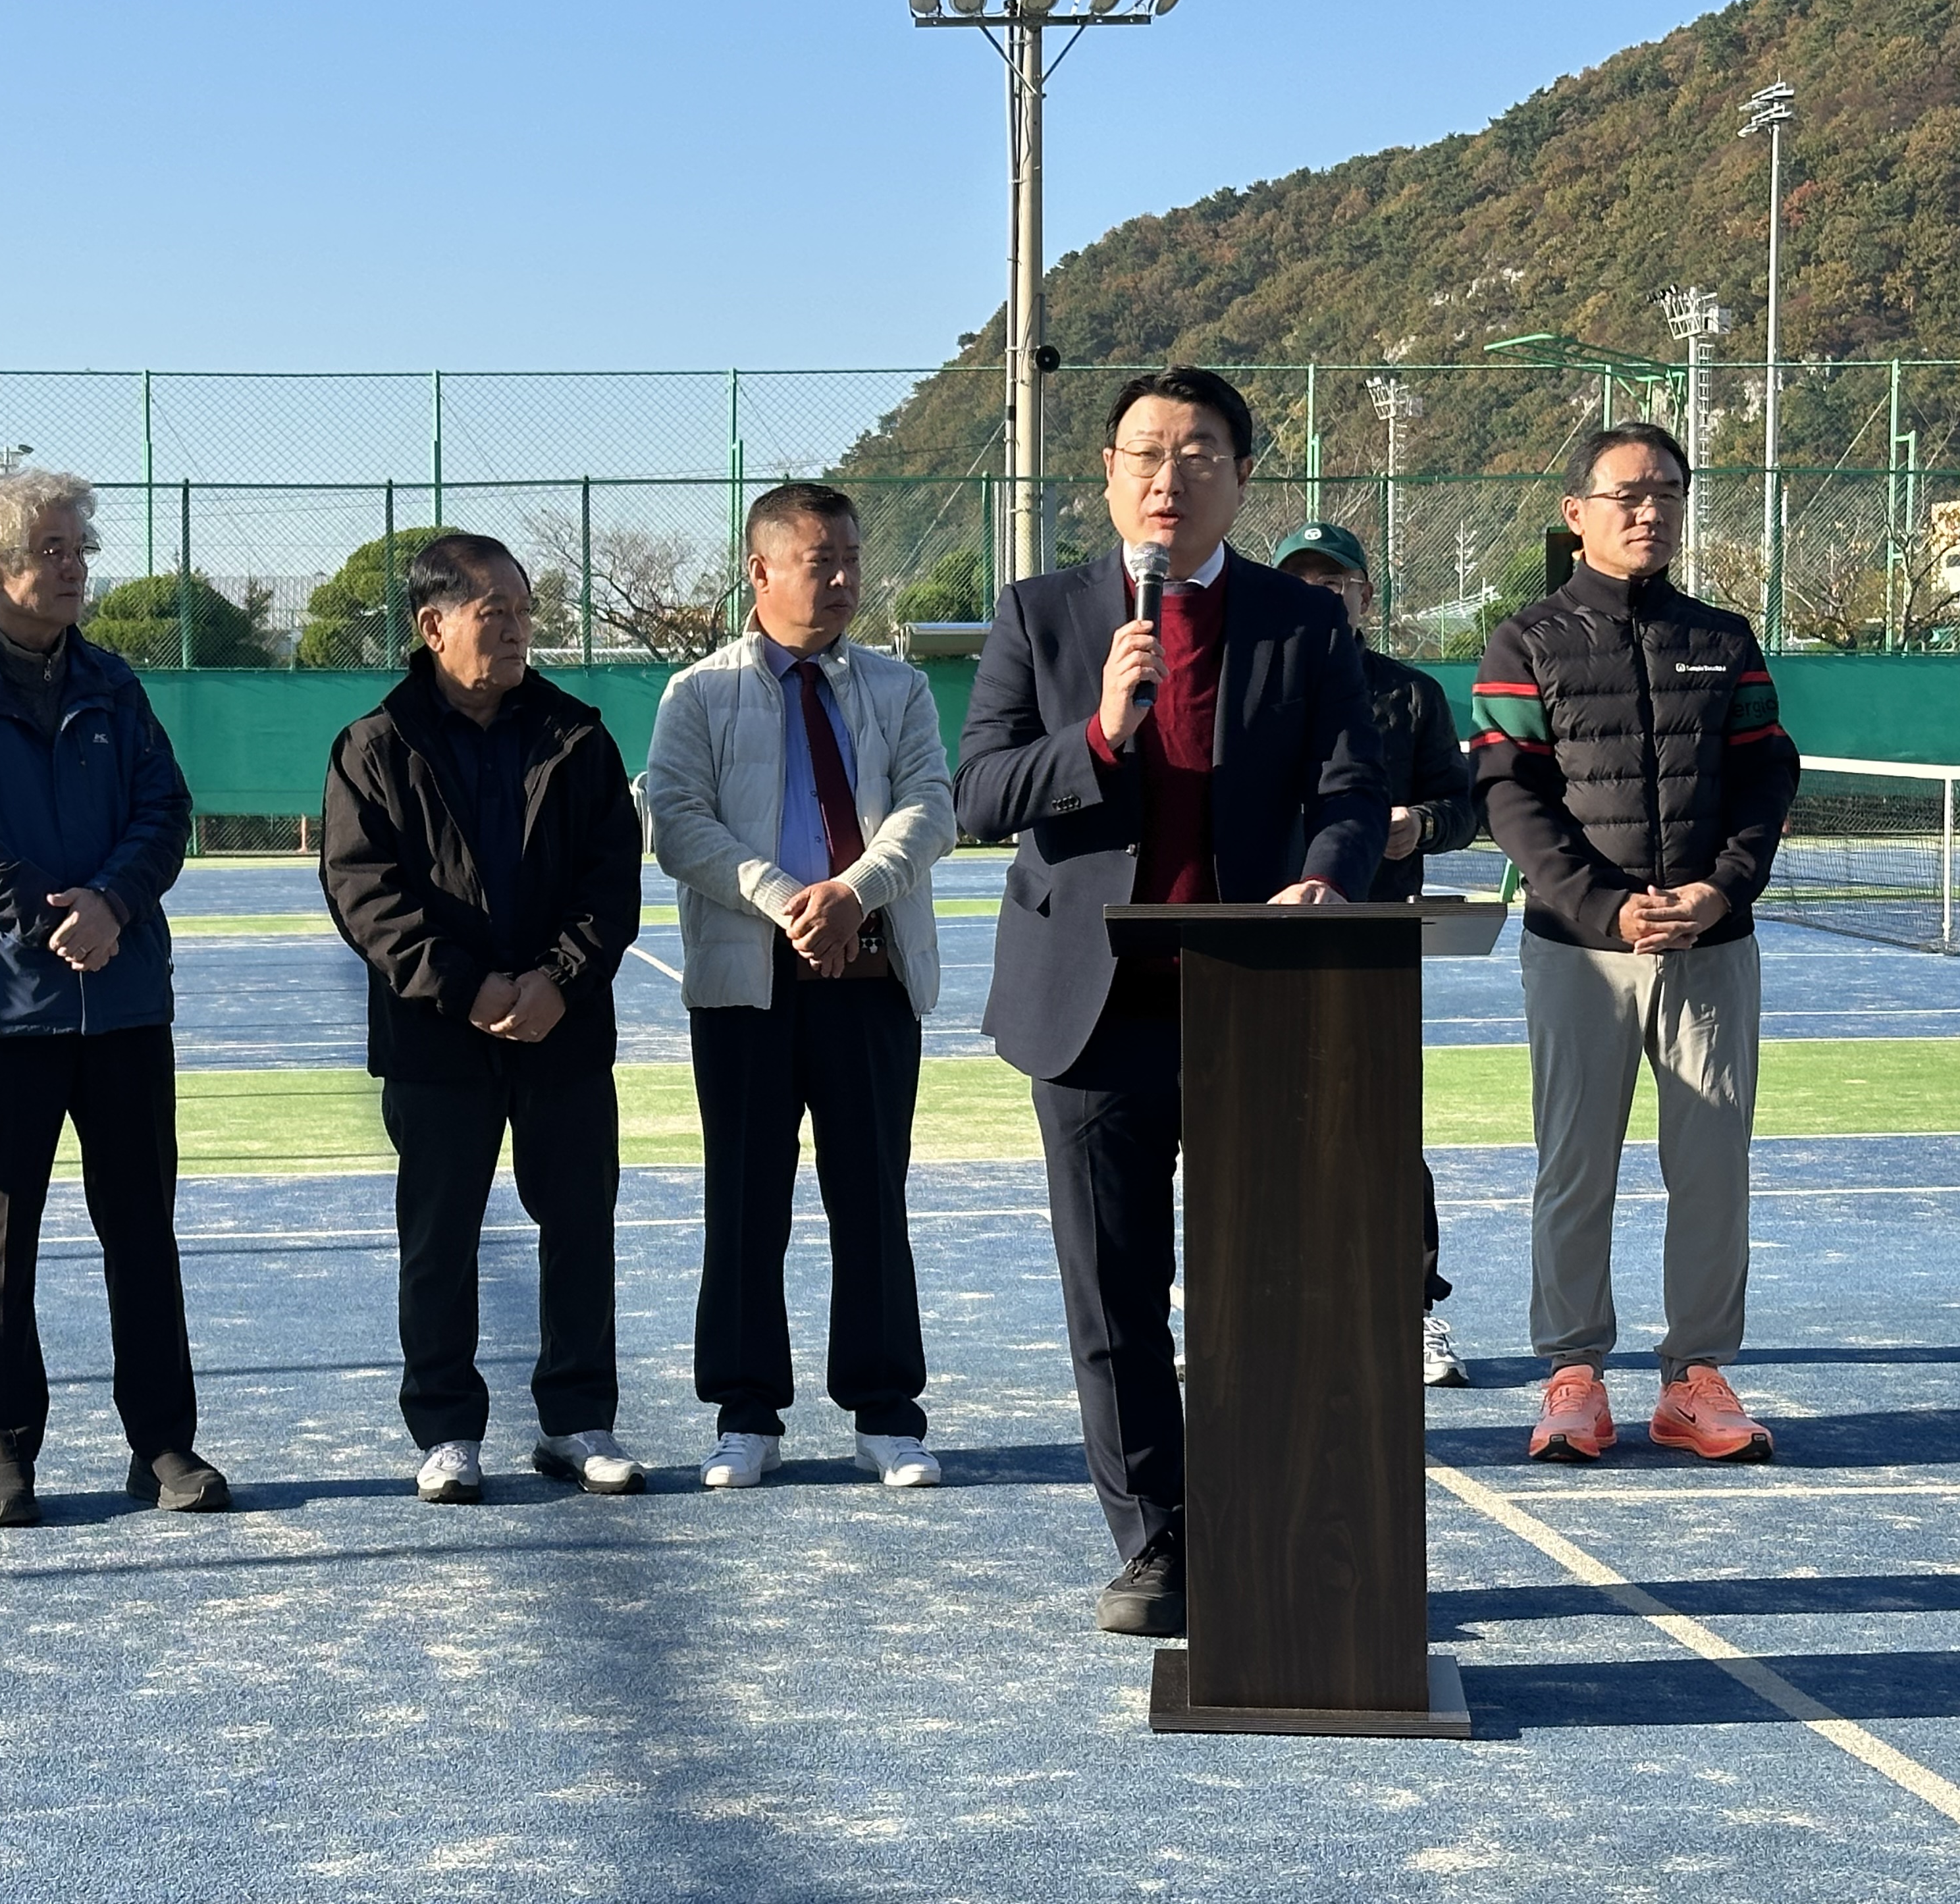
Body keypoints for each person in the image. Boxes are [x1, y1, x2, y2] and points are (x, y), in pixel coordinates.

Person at [955, 367, 1387, 1637]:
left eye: (1199, 453)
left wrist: (1327, 877)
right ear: (1107, 473)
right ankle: (1157, 1540)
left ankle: (1271, 1527)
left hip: (1258, 999)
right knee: (1115, 1297)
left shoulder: (1304, 625)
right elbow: (979, 797)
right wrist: (1099, 731)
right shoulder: (1040, 614)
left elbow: (1353, 790)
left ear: (1241, 479)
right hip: (1093, 1012)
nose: (1169, 476)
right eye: (1145, 452)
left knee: (1271, 1288)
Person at [0, 469, 228, 1526]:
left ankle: (163, 1445)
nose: (76, 566)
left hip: (124, 1007)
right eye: (53, 549)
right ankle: (4, 1455)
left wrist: (113, 905)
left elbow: (164, 811)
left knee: (143, 1230)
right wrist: (54, 920)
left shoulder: (115, 685)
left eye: (81, 547)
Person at [1471, 423, 1800, 1468]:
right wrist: (1597, 907)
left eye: (1668, 492)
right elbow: (1509, 794)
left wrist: (1720, 890)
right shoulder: (1525, 641)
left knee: (1713, 1168)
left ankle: (1695, 1379)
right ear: (1577, 514)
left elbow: (1767, 776)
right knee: (1576, 1166)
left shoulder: (1724, 638)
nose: (1650, 510)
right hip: (1579, 951)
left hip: (1712, 946)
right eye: (1628, 494)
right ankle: (1573, 1376)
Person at [643, 482, 957, 1493]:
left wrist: (855, 894)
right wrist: (791, 902)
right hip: (747, 988)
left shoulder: (900, 690)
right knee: (744, 1200)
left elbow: (931, 810)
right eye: (823, 561)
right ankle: (745, 1414)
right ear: (761, 570)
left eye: (853, 559)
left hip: (870, 979)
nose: (844, 579)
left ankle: (886, 1412)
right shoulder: (697, 695)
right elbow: (678, 824)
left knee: (872, 1198)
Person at [321, 533, 645, 1504]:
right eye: (492, 612)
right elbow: (364, 893)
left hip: (565, 1032)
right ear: (434, 626)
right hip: (435, 1041)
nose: (515, 630)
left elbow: (611, 881)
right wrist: (467, 990)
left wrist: (556, 981)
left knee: (579, 1225)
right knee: (440, 1238)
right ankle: (447, 1430)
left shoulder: (578, 735)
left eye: (523, 612)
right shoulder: (374, 746)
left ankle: (576, 1419)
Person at [1275, 519, 1482, 1388]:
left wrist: (1419, 824)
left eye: (1335, 584)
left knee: (1383, 1129)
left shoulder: (1411, 695)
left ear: (1365, 597)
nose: (1319, 597)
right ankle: (1245, 1306)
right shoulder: (1247, 684)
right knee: (1248, 1129)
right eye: (1301, 583)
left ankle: (1411, 1310)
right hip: (1257, 941)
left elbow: (1464, 808)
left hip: (1376, 943)